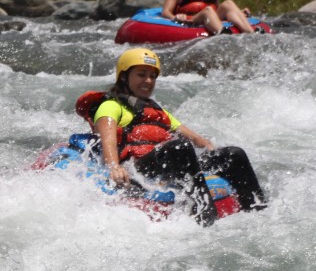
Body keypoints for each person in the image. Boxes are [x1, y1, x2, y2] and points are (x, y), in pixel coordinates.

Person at [81, 47, 265, 225]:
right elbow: (108, 138)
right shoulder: (111, 106)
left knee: (234, 154)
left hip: (167, 162)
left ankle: (258, 209)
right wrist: (114, 166)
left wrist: (216, 156)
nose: (148, 81)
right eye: (141, 74)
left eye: (152, 76)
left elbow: (199, 141)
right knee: (179, 146)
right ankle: (203, 211)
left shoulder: (158, 112)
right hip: (139, 167)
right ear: (123, 77)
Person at [161, 0, 258, 35]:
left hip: (210, 17)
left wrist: (238, 13)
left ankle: (252, 34)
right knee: (208, 10)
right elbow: (165, 12)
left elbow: (217, 7)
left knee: (228, 3)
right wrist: (176, 18)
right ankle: (224, 36)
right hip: (191, 20)